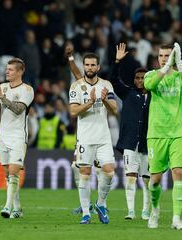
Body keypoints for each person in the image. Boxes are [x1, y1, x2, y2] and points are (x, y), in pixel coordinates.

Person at [144, 43, 182, 230]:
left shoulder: (180, 77)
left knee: (178, 172)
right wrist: (164, 69)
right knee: (155, 179)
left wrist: (180, 64)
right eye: (162, 55)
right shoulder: (151, 75)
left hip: (178, 132)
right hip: (157, 134)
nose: (164, 58)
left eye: (168, 55)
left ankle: (176, 218)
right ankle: (155, 210)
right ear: (158, 58)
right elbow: (150, 85)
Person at [68, 50, 118, 224]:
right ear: (84, 66)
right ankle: (85, 213)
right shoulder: (76, 87)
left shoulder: (106, 85)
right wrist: (89, 102)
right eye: (87, 65)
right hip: (85, 138)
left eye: (92, 65)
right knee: (85, 173)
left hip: (103, 137)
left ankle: (101, 204)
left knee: (110, 172)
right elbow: (73, 111)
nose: (89, 68)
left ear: (98, 67)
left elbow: (115, 110)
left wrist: (103, 100)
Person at [0, 58, 34, 219]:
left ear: (20, 71)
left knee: (13, 172)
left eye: (10, 69)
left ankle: (7, 207)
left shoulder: (27, 90)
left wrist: (2, 97)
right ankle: (17, 208)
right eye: (7, 69)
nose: (7, 71)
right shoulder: (3, 87)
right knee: (7, 174)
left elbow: (18, 109)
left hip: (18, 136)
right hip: (3, 136)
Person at [110, 43, 150, 220]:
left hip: (148, 143)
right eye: (137, 78)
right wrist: (117, 62)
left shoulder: (155, 97)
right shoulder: (128, 94)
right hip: (129, 142)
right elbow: (114, 80)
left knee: (148, 180)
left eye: (143, 78)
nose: (139, 80)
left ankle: (146, 210)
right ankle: (131, 210)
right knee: (130, 176)